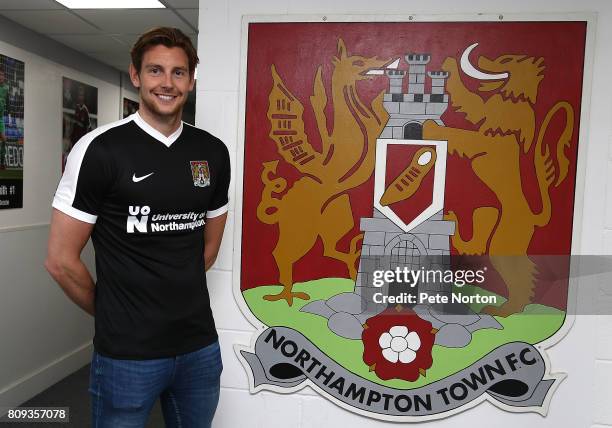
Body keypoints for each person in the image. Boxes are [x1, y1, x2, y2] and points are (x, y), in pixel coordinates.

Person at [45, 27, 230, 428]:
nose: (167, 83)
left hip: (198, 348)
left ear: (192, 79)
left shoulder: (212, 152)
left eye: (179, 73)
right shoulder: (99, 149)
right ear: (136, 75)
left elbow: (208, 249)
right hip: (127, 355)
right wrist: (113, 311)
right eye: (155, 71)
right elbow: (60, 261)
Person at [0, 69, 9, 169]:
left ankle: (2, 163)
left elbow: (7, 101)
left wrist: (9, 114)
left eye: (2, 75)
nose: (0, 77)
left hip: (1, 118)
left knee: (4, 139)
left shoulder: (6, 88)